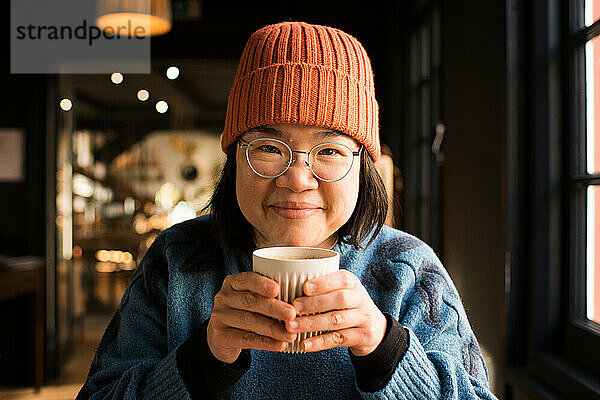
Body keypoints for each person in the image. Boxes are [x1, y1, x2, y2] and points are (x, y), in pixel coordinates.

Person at [77, 21, 498, 399]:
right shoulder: (177, 258)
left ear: (362, 167)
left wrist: (385, 348)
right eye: (267, 147)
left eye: (330, 149)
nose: (297, 179)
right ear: (234, 160)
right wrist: (202, 360)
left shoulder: (407, 268)